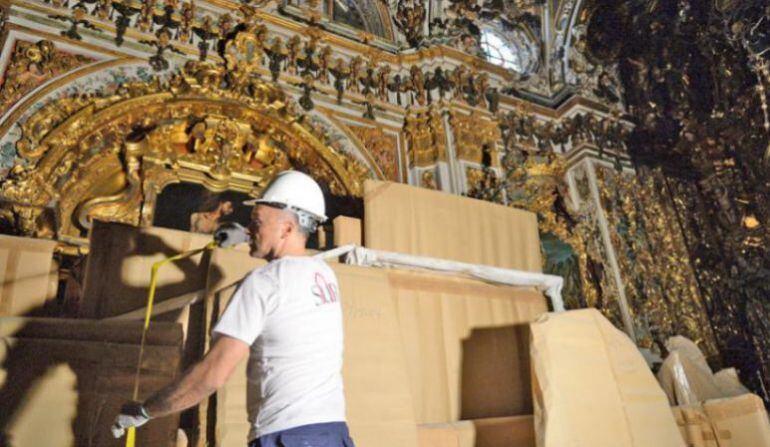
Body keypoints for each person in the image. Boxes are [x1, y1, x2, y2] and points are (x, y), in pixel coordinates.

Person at [113, 171, 354, 447]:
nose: (250, 229)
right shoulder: (324, 275)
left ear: (287, 228)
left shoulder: (262, 283)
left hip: (287, 437)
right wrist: (251, 237)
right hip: (333, 434)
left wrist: (145, 410)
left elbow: (211, 375)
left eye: (256, 223)